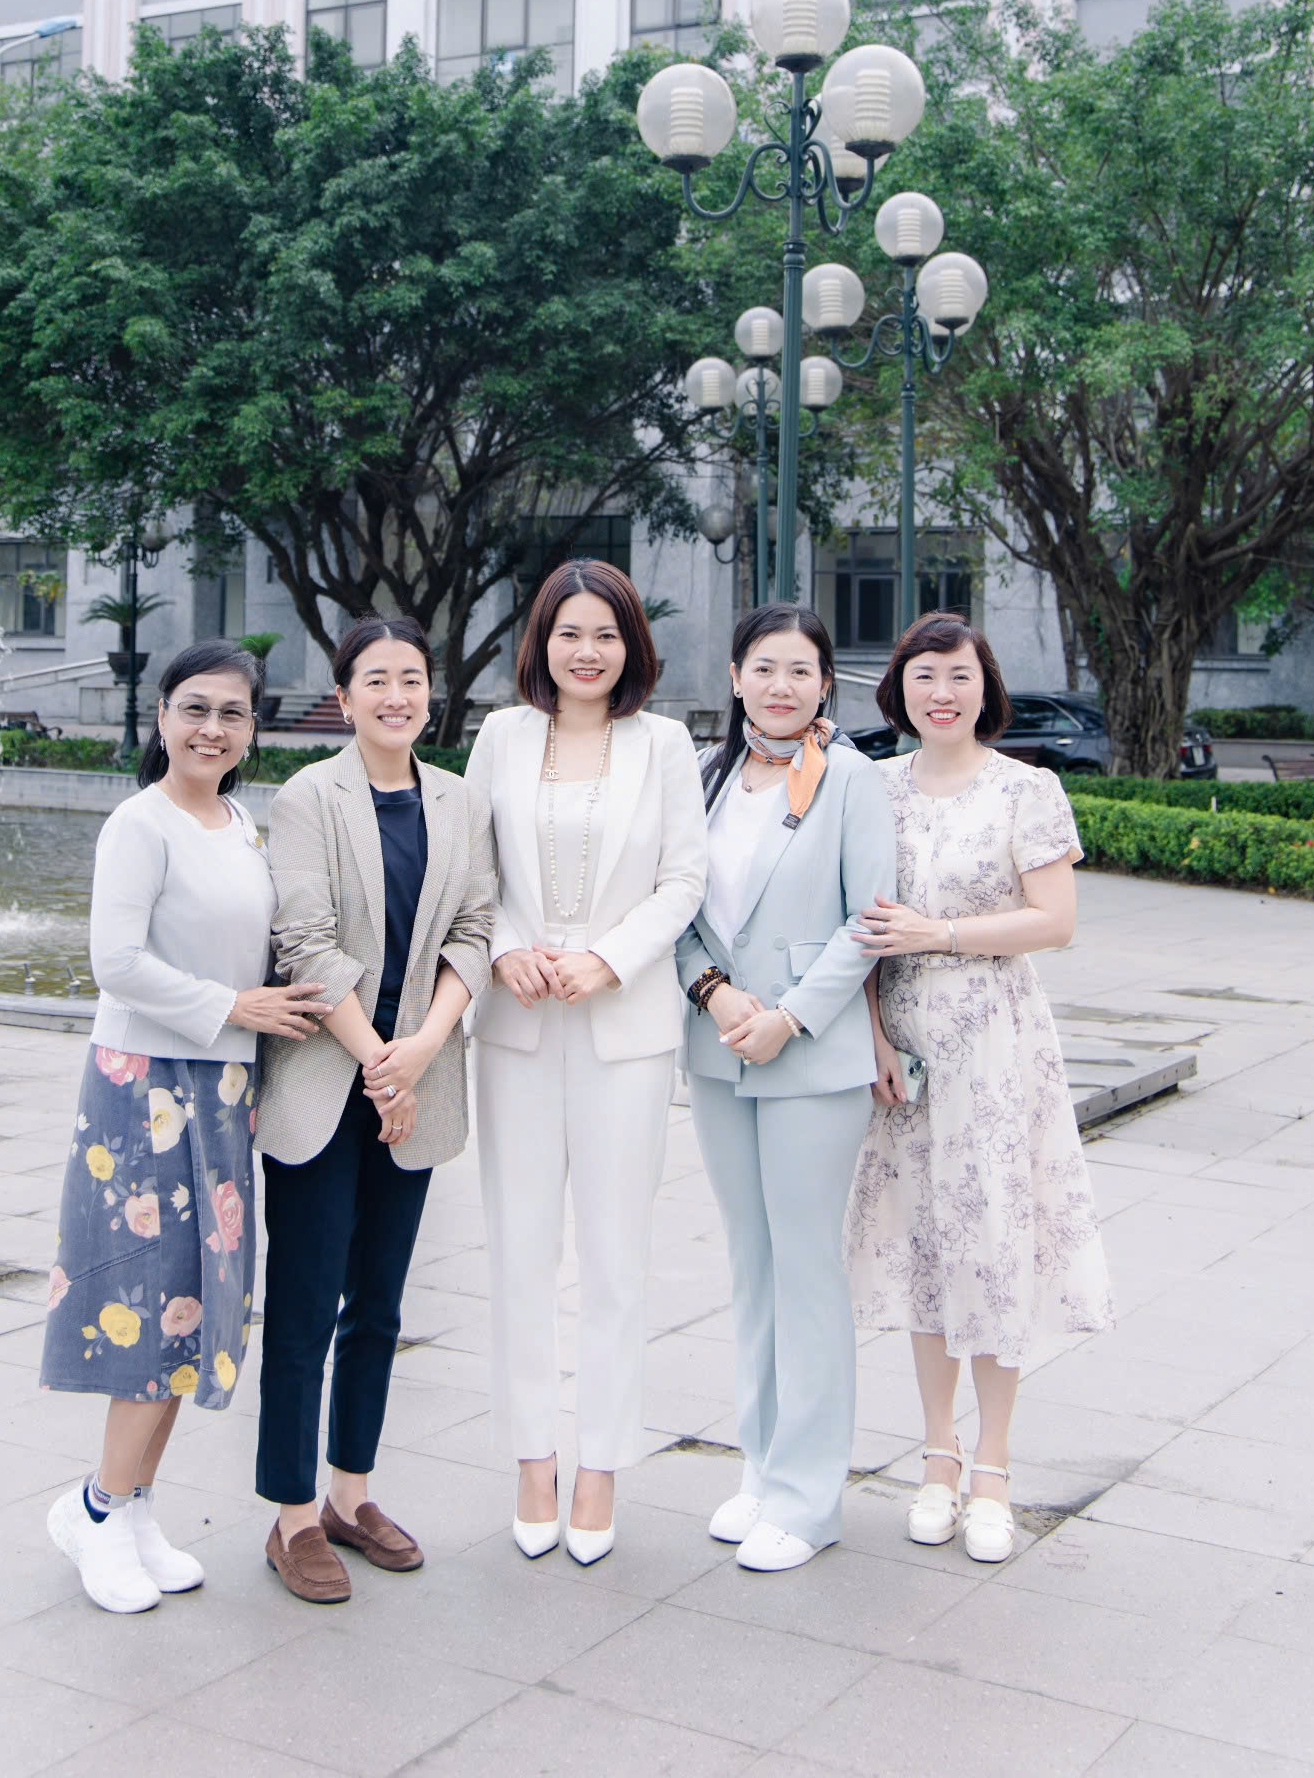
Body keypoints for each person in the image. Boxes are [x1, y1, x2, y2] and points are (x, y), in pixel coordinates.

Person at [42, 641, 330, 1614]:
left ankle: (128, 1507)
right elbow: (114, 962)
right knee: (149, 1299)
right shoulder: (140, 823)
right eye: (194, 708)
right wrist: (234, 1007)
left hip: (221, 1089)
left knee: (193, 1307)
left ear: (254, 728)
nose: (212, 728)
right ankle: (96, 1508)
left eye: (232, 713)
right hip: (145, 1092)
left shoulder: (242, 823)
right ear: (161, 716)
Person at [844, 611, 1114, 1565]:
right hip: (901, 1047)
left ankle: (992, 1465)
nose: (941, 693)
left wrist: (941, 935)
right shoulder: (870, 788)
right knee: (923, 1243)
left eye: (958, 675)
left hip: (995, 1042)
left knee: (993, 1239)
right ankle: (936, 1457)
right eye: (923, 676)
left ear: (983, 687)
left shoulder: (1025, 790)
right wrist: (872, 1035)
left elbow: (1054, 921)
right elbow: (855, 926)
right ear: (899, 690)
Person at [467, 559, 707, 1564]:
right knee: (520, 1251)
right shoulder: (500, 736)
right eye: (569, 632)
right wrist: (505, 948)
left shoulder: (665, 745)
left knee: (614, 1257)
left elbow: (684, 878)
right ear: (541, 641)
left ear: (630, 645)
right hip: (517, 1023)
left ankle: (600, 1464)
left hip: (623, 1028)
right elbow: (472, 869)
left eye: (605, 633)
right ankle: (534, 1459)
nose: (587, 650)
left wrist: (608, 958)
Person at [254, 616, 494, 1604]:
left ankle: (351, 1493)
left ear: (431, 692)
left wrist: (422, 1048)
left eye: (412, 679)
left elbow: (475, 927)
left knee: (381, 1305)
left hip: (416, 1075)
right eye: (377, 680)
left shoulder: (460, 800)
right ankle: (292, 1514)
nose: (397, 696)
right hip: (326, 1075)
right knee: (305, 1302)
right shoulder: (308, 797)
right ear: (344, 696)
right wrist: (377, 1063)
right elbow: (305, 940)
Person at [674, 603, 895, 1572]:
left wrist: (790, 1016)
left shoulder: (850, 778)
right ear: (734, 677)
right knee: (751, 1264)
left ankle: (810, 1500)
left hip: (809, 1054)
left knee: (805, 1269)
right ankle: (762, 1468)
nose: (780, 685)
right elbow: (674, 908)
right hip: (719, 1044)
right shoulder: (704, 775)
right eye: (763, 667)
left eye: (800, 669)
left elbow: (869, 920)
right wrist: (715, 994)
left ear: (825, 683)